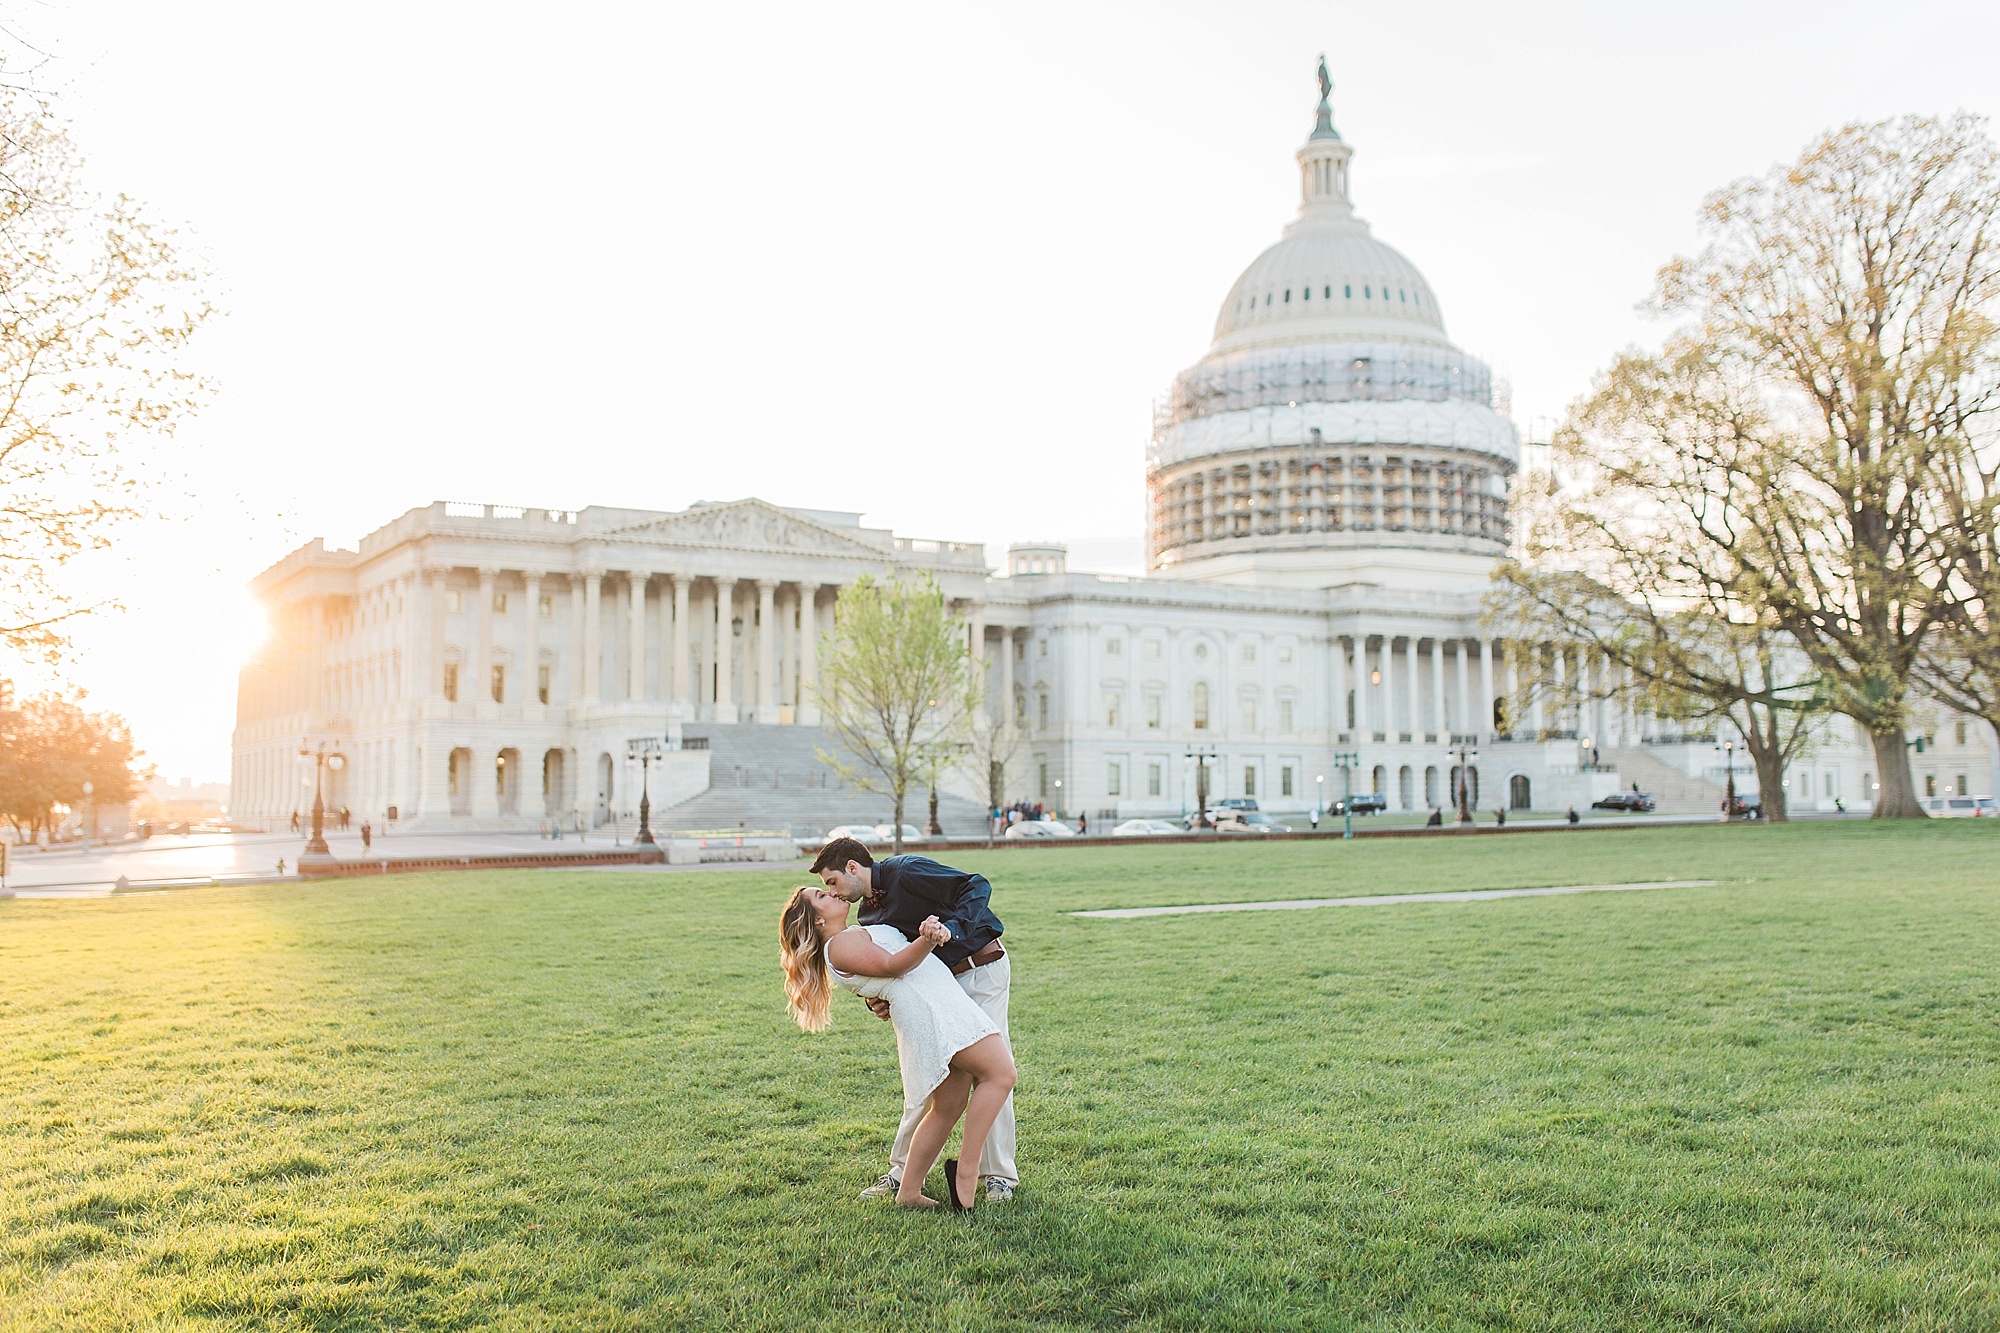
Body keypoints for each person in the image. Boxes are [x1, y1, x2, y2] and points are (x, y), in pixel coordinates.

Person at [780, 887, 1016, 1211]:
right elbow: (893, 966)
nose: (832, 893)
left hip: (936, 1008)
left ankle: (909, 1192)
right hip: (935, 1013)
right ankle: (967, 1170)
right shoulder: (840, 945)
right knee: (1000, 1075)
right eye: (822, 894)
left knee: (948, 1107)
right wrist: (929, 938)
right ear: (818, 919)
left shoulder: (849, 937)